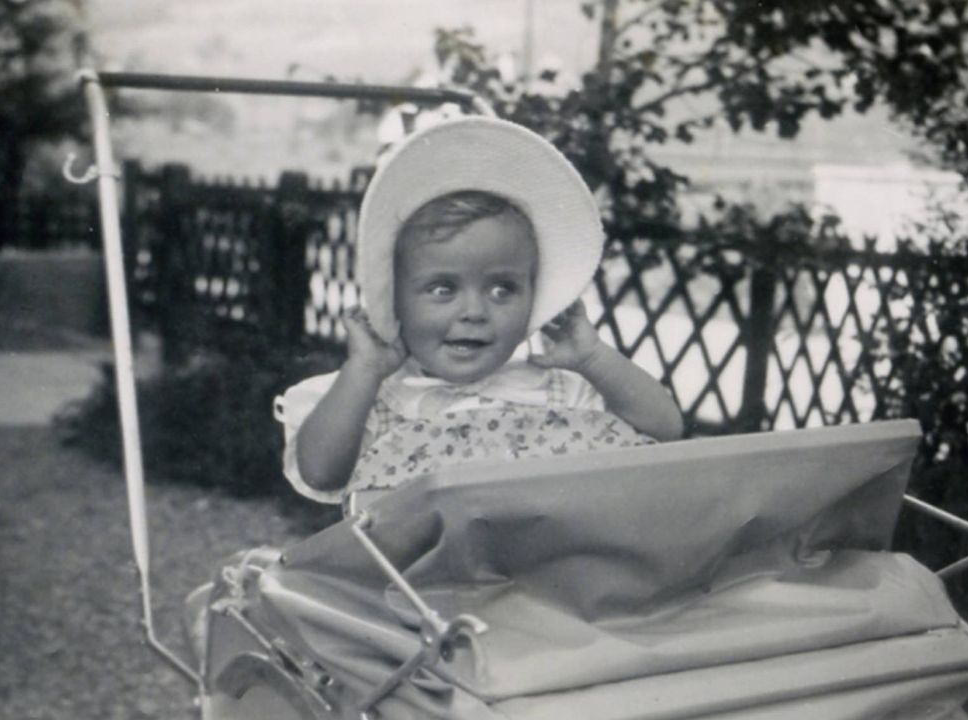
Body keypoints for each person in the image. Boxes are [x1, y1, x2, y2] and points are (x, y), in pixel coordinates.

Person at [274, 117, 683, 507]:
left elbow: (665, 429)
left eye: (502, 289)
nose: (474, 311)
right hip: (411, 578)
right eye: (442, 288)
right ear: (394, 299)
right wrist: (362, 371)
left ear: (533, 297)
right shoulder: (378, 398)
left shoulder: (556, 392)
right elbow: (320, 473)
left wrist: (593, 359)